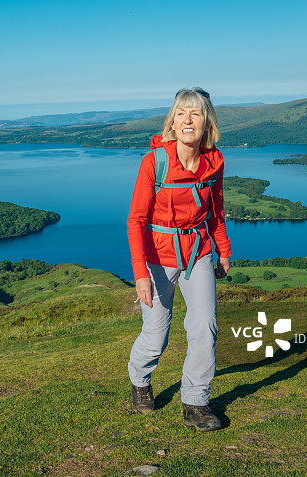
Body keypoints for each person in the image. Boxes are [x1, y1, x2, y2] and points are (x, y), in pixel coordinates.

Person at [126, 87, 231, 432]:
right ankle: (140, 380)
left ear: (206, 123)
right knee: (156, 335)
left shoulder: (214, 162)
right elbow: (136, 220)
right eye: (182, 113)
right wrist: (140, 274)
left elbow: (215, 212)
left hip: (198, 254)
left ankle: (195, 403)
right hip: (157, 259)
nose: (188, 120)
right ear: (172, 122)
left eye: (196, 114)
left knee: (205, 327)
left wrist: (223, 250)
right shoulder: (154, 162)